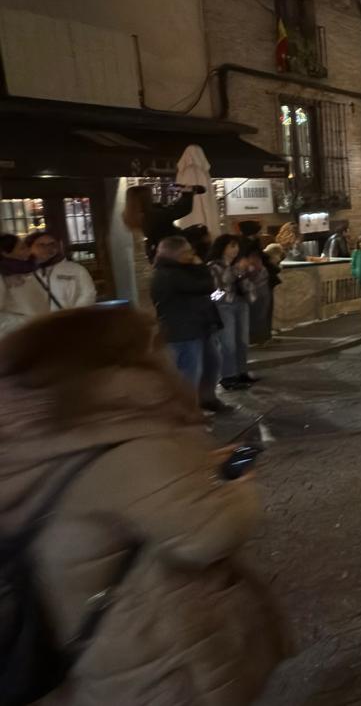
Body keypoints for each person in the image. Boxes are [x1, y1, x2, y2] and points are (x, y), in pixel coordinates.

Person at [0, 306, 292, 705]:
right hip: (157, 654)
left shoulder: (45, 428)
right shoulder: (122, 434)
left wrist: (190, 467)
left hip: (86, 652)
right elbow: (208, 532)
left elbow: (107, 496)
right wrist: (241, 484)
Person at [149, 236, 222, 399]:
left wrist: (216, 295)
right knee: (189, 374)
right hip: (184, 331)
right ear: (176, 254)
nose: (192, 255)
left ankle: (206, 400)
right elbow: (207, 287)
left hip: (199, 326)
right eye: (188, 251)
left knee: (211, 364)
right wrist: (201, 267)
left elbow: (210, 294)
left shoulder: (180, 270)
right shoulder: (170, 274)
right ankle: (187, 412)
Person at [1, 232, 97, 330]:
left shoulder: (76, 270)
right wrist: (30, 323)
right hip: (29, 332)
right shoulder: (19, 272)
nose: (48, 248)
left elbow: (88, 295)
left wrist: (73, 317)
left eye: (52, 244)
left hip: (69, 326)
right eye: (41, 245)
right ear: (31, 247)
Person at [207, 234, 257, 391]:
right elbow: (214, 293)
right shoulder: (214, 266)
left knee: (242, 340)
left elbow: (248, 285)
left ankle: (242, 372)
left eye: (236, 246)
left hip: (241, 304)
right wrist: (235, 272)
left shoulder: (239, 264)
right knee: (228, 343)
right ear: (222, 248)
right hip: (224, 307)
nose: (235, 250)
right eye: (232, 246)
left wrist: (245, 277)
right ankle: (228, 376)